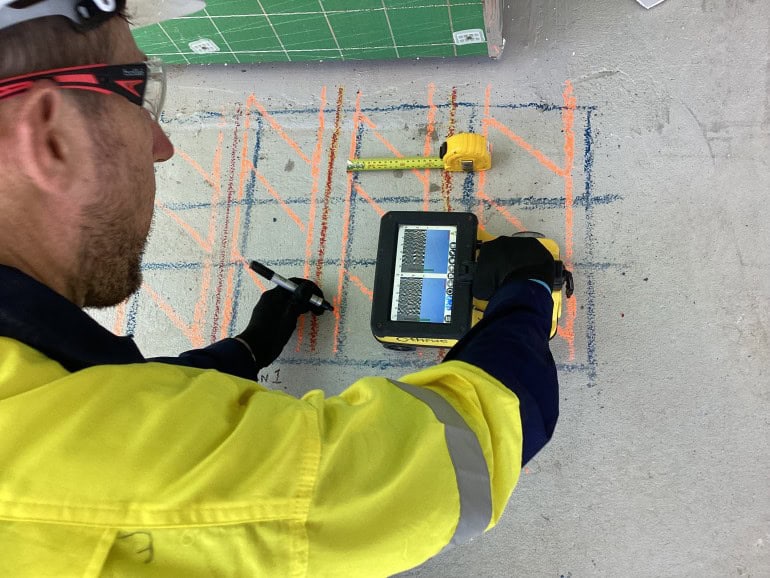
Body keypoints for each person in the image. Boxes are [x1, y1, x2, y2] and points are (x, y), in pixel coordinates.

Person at [0, 2, 561, 576]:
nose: (161, 144)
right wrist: (528, 291)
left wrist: (247, 348)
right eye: (139, 96)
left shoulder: (44, 396)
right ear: (53, 139)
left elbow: (110, 406)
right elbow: (446, 459)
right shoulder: (103, 471)